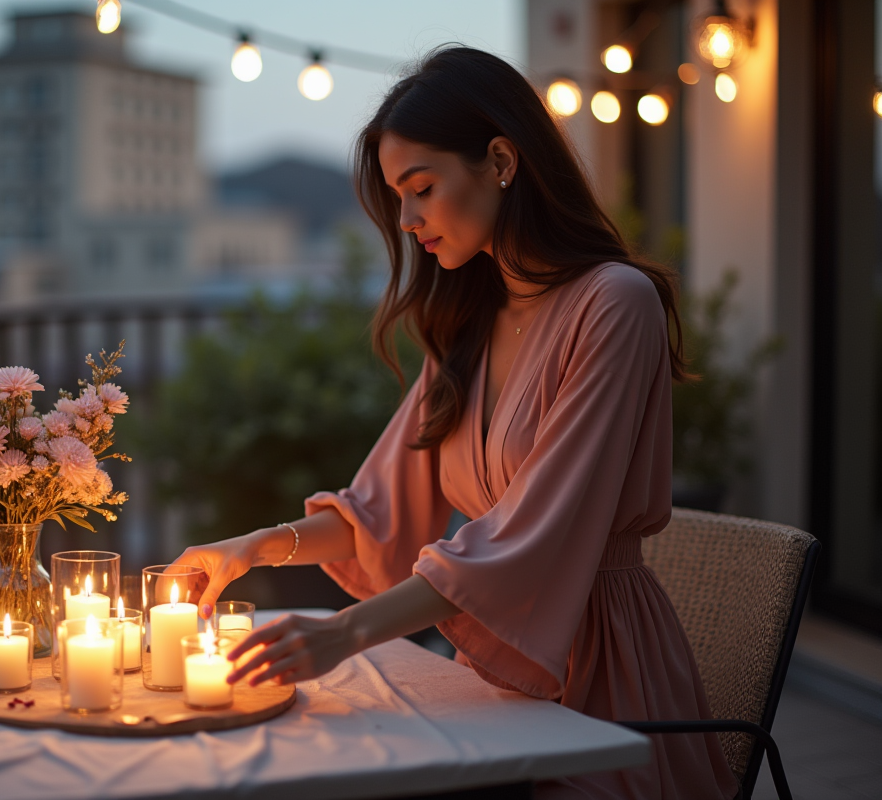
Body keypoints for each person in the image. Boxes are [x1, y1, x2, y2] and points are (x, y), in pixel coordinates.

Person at [175, 47, 739, 799]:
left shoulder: (614, 303)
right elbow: (378, 513)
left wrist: (344, 635)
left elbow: (529, 536)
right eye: (397, 199)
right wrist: (254, 547)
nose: (407, 222)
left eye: (421, 189)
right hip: (492, 675)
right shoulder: (473, 320)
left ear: (501, 160)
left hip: (599, 668)